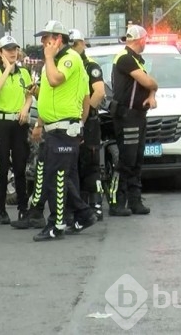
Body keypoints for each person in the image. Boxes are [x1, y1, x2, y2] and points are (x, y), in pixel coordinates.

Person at [30, 20, 97, 242]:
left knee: (57, 178)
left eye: (46, 38)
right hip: (53, 128)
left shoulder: (69, 59)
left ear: (58, 39)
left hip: (64, 128)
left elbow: (56, 81)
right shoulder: (54, 61)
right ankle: (84, 214)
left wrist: (79, 126)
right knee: (58, 177)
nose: (42, 42)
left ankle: (56, 225)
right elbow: (48, 96)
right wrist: (40, 122)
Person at [108, 25, 157, 216]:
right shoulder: (125, 58)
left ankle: (135, 201)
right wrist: (154, 87)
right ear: (140, 40)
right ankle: (116, 202)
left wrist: (152, 93)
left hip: (138, 115)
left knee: (136, 160)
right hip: (126, 116)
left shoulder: (137, 60)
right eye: (146, 39)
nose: (146, 43)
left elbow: (149, 84)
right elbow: (148, 81)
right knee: (126, 161)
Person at [0, 35, 32, 226]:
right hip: (1, 124)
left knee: (21, 167)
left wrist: (25, 108)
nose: (13, 53)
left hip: (19, 123)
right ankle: (1, 209)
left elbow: (30, 94)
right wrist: (7, 69)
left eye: (15, 49)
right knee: (3, 166)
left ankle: (23, 208)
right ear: (1, 53)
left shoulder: (24, 73)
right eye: (8, 50)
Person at [70, 29, 106, 221]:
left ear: (82, 44)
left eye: (76, 44)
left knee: (91, 165)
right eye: (71, 44)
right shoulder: (67, 65)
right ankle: (79, 204)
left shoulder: (90, 66)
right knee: (74, 165)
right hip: (73, 122)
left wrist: (86, 112)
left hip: (88, 123)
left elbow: (99, 92)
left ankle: (96, 203)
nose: (74, 48)